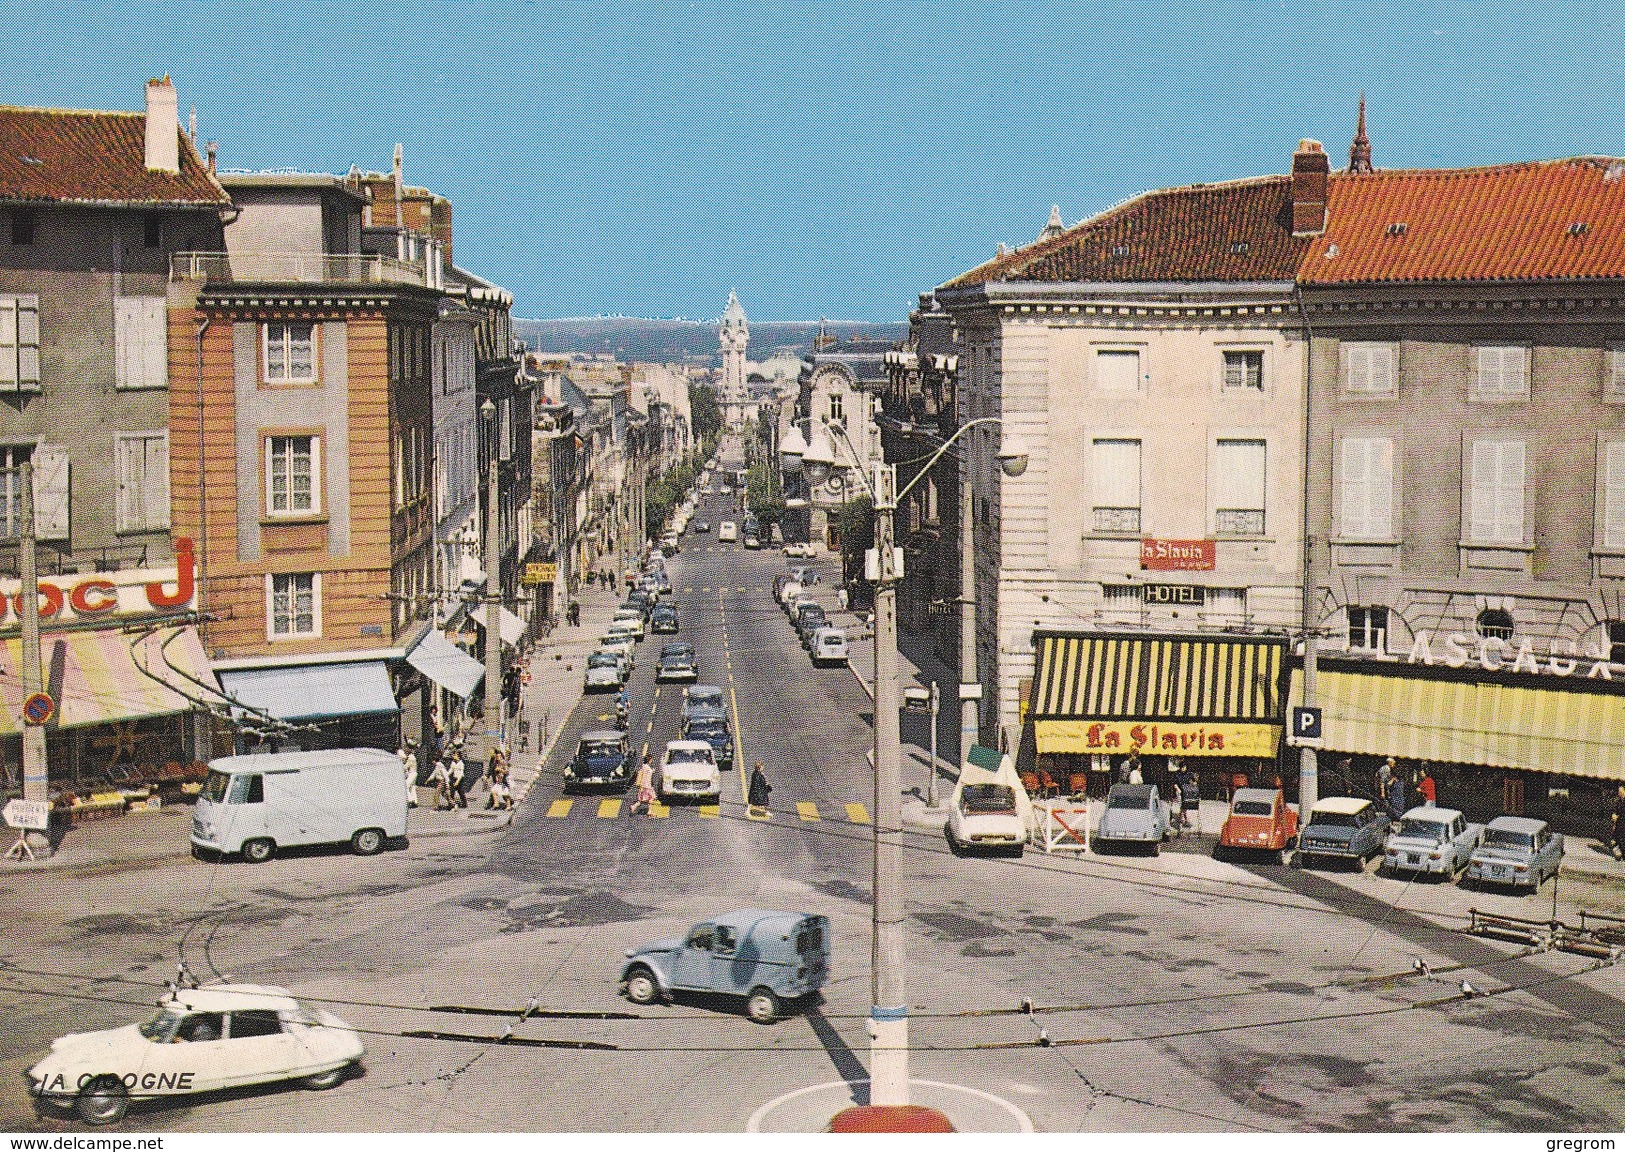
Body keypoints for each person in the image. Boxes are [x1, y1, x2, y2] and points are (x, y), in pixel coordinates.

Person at [400, 742, 419, 808]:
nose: (405, 750)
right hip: (414, 773)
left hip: (412, 773)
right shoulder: (412, 756)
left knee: (405, 786)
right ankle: (415, 801)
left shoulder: (410, 758)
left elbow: (406, 767)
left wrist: (401, 766)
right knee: (412, 788)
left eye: (406, 748)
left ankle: (410, 801)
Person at [1611, 785, 1625, 860]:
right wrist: (1614, 814)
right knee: (1619, 837)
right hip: (1619, 822)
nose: (1619, 793)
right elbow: (1615, 809)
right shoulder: (1619, 801)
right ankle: (1621, 854)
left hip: (1623, 822)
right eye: (1619, 791)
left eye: (1620, 791)